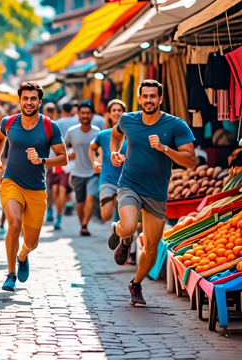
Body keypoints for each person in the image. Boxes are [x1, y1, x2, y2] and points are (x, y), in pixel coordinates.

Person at [109, 80, 195, 306]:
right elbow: (116, 135)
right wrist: (114, 152)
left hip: (156, 192)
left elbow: (191, 161)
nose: (149, 100)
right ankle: (119, 231)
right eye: (145, 96)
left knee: (151, 248)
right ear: (139, 99)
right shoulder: (128, 120)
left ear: (160, 99)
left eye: (153, 96)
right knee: (128, 226)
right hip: (130, 184)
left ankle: (135, 284)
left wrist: (165, 148)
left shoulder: (175, 125)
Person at [0, 82, 67, 292]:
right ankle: (10, 274)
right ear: (19, 101)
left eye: (33, 98)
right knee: (14, 224)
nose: (29, 102)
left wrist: (42, 160)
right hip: (11, 182)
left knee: (32, 243)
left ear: (39, 102)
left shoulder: (49, 126)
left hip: (36, 189)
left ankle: (22, 255)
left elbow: (63, 158)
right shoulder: (8, 123)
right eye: (25, 98)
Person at [64, 101, 100, 236]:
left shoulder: (97, 132)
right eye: (82, 113)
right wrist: (68, 157)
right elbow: (63, 147)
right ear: (78, 115)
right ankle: (82, 224)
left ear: (92, 115)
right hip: (77, 172)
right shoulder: (72, 132)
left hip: (93, 172)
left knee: (90, 197)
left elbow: (101, 150)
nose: (85, 115)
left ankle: (85, 225)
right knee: (80, 202)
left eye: (88, 113)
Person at [89, 99, 127, 222]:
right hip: (107, 179)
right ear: (109, 114)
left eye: (119, 110)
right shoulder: (103, 134)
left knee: (126, 219)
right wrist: (94, 162)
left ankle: (121, 235)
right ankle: (116, 200)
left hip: (127, 181)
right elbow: (91, 149)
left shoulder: (131, 135)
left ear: (124, 113)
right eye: (114, 110)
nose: (117, 113)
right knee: (106, 216)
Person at [42, 103, 58, 223]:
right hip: (45, 162)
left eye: (52, 110)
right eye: (48, 110)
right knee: (50, 187)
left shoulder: (57, 125)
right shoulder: (41, 125)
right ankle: (50, 209)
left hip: (56, 161)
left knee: (57, 188)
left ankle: (54, 210)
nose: (50, 113)